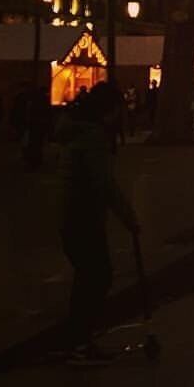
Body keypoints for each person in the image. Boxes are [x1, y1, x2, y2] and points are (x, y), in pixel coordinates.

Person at [57, 83, 139, 362]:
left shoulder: (78, 132)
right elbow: (103, 183)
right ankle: (78, 340)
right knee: (97, 275)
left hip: (73, 212)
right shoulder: (93, 138)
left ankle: (77, 338)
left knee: (89, 275)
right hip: (84, 215)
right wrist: (128, 217)